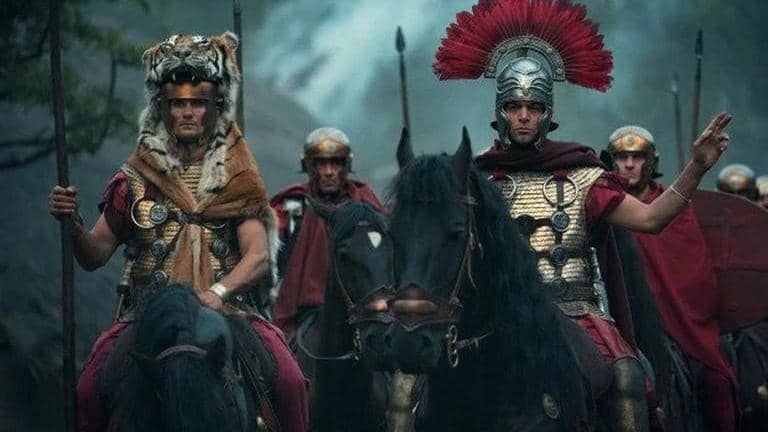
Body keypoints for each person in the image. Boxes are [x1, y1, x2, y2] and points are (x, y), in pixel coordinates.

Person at [433, 0, 731, 430]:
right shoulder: (478, 179)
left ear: (547, 114)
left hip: (575, 309)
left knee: (627, 375)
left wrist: (697, 167)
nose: (523, 116)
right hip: (500, 315)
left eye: (534, 107)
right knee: (421, 385)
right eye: (514, 106)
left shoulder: (583, 175)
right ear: (500, 112)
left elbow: (651, 220)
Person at [48, 32, 307, 432]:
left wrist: (218, 292)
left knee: (290, 383)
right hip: (146, 316)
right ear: (163, 109)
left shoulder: (236, 177)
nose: (187, 112)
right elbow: (94, 255)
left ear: (214, 108)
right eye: (178, 104)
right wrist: (74, 223)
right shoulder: (133, 179)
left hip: (228, 313)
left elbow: (257, 256)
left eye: (197, 103)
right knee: (86, 392)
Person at [608, 125, 739, 431]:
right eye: (622, 157)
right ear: (611, 161)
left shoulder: (674, 206)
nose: (629, 164)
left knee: (715, 384)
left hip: (676, 328)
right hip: (616, 320)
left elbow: (695, 279)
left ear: (651, 161)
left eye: (637, 157)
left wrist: (666, 313)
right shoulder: (604, 205)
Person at [270, 127, 383, 337]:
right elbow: (268, 254)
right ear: (308, 166)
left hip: (363, 303)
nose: (329, 172)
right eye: (321, 164)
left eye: (336, 163)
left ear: (347, 165)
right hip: (301, 310)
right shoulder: (291, 205)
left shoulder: (366, 203)